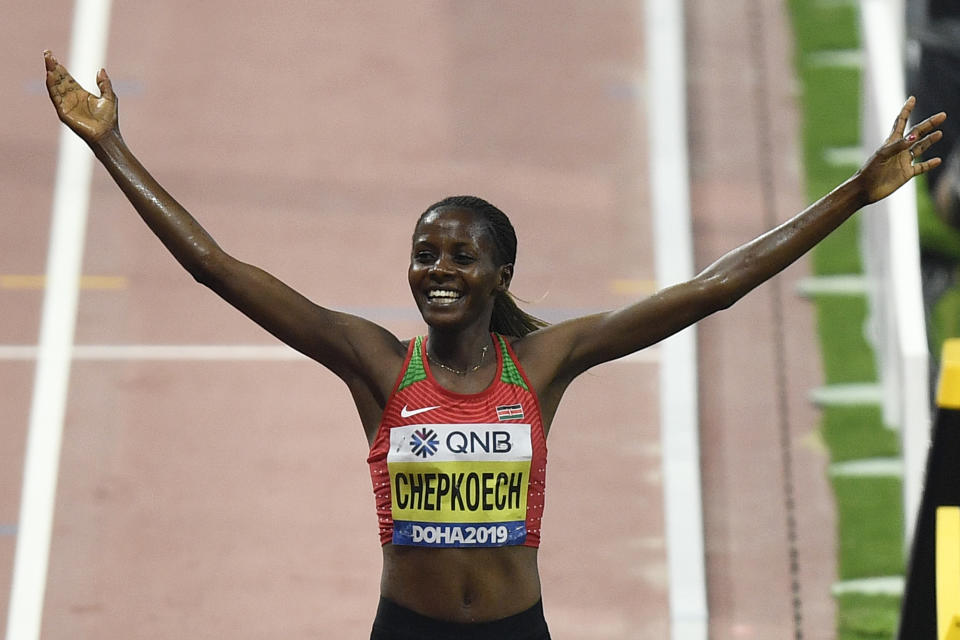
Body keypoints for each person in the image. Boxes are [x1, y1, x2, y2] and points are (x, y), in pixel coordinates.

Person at [42, 49, 945, 639]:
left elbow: (713, 290)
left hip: (520, 630)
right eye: (423, 253)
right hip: (407, 629)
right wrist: (111, 145)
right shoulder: (377, 365)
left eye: (462, 256)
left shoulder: (541, 367)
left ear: (501, 276)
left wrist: (853, 195)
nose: (438, 269)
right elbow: (213, 267)